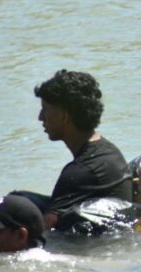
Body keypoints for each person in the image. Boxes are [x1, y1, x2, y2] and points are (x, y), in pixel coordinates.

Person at [32, 69, 132, 230]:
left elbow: (44, 231)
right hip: (112, 237)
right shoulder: (109, 152)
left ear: (65, 116)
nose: (40, 117)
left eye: (45, 109)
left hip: (93, 247)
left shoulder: (79, 172)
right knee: (22, 199)